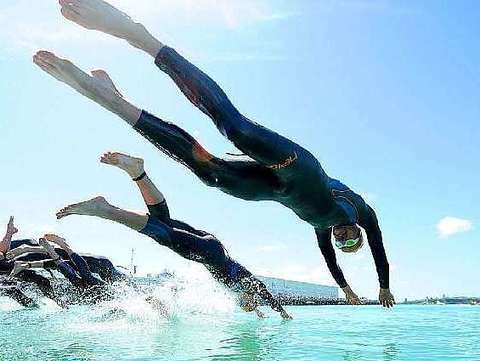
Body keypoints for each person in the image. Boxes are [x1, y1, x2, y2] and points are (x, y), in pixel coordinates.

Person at [33, 0, 394, 308]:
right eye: (351, 239)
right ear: (360, 233)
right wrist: (383, 286)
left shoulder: (322, 229)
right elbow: (379, 249)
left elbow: (329, 260)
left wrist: (344, 287)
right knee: (237, 130)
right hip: (300, 169)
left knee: (209, 174)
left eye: (342, 241)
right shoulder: (363, 211)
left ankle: (115, 102)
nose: (344, 238)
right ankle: (138, 36)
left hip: (272, 189)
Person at [56, 152, 291, 319]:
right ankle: (106, 210)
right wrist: (283, 314)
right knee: (164, 235)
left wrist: (259, 314)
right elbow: (264, 292)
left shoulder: (240, 288)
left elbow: (256, 302)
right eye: (250, 304)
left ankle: (138, 172)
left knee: (163, 221)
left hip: (211, 245)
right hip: (208, 253)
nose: (247, 305)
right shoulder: (247, 283)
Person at [10, 236, 112, 304]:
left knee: (76, 279)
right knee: (86, 276)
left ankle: (53, 250)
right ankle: (61, 245)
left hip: (94, 295)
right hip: (103, 291)